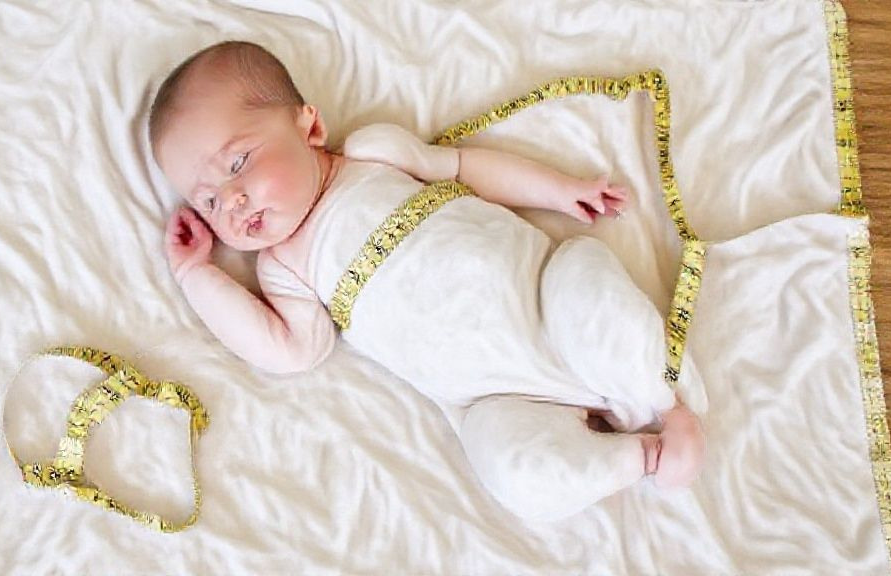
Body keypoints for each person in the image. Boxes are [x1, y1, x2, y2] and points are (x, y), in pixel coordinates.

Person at [148, 40, 705, 521]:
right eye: (209, 200)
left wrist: (559, 190)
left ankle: (666, 403)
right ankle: (642, 459)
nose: (233, 200)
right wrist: (195, 273)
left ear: (309, 126)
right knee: (509, 471)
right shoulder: (284, 271)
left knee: (586, 281)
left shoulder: (374, 154)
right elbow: (286, 351)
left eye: (239, 162)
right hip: (494, 396)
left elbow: (466, 169)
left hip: (541, 296)